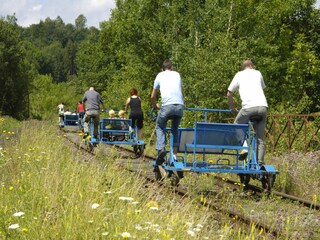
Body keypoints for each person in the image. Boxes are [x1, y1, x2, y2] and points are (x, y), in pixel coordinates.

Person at [227, 59, 268, 165]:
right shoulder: (258, 73)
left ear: (244, 66)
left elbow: (229, 93)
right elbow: (262, 89)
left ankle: (244, 147)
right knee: (260, 138)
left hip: (248, 108)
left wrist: (232, 107)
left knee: (236, 125)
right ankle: (260, 162)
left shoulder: (239, 75)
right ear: (251, 65)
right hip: (263, 107)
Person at [151, 59, 184, 165]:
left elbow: (153, 96)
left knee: (160, 126)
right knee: (175, 129)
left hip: (166, 107)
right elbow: (182, 93)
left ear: (163, 68)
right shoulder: (177, 75)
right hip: (179, 106)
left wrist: (155, 105)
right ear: (172, 67)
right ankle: (174, 154)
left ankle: (161, 149)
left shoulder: (160, 75)